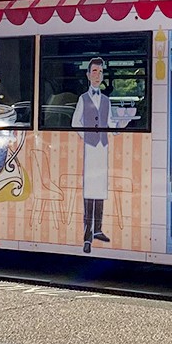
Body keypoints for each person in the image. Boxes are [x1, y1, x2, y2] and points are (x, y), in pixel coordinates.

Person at [71, 57, 111, 253]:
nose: (97, 75)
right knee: (89, 192)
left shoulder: (106, 100)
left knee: (100, 190)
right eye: (94, 71)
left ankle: (98, 230)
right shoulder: (83, 98)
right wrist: (87, 136)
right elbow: (75, 122)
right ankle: (87, 236)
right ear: (88, 75)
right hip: (91, 149)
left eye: (100, 72)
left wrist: (122, 125)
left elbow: (110, 124)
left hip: (103, 148)